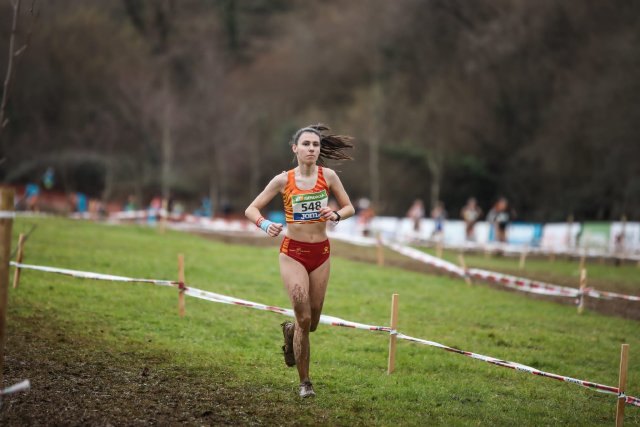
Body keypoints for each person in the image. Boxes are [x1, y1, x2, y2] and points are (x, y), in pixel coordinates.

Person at [245, 124, 355, 398]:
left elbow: (349, 207)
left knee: (311, 322)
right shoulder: (283, 180)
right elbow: (251, 208)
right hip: (292, 253)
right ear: (295, 148)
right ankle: (305, 382)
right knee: (304, 315)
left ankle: (291, 330)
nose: (311, 149)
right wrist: (264, 224)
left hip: (321, 255)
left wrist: (336, 215)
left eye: (315, 145)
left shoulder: (328, 176)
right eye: (306, 144)